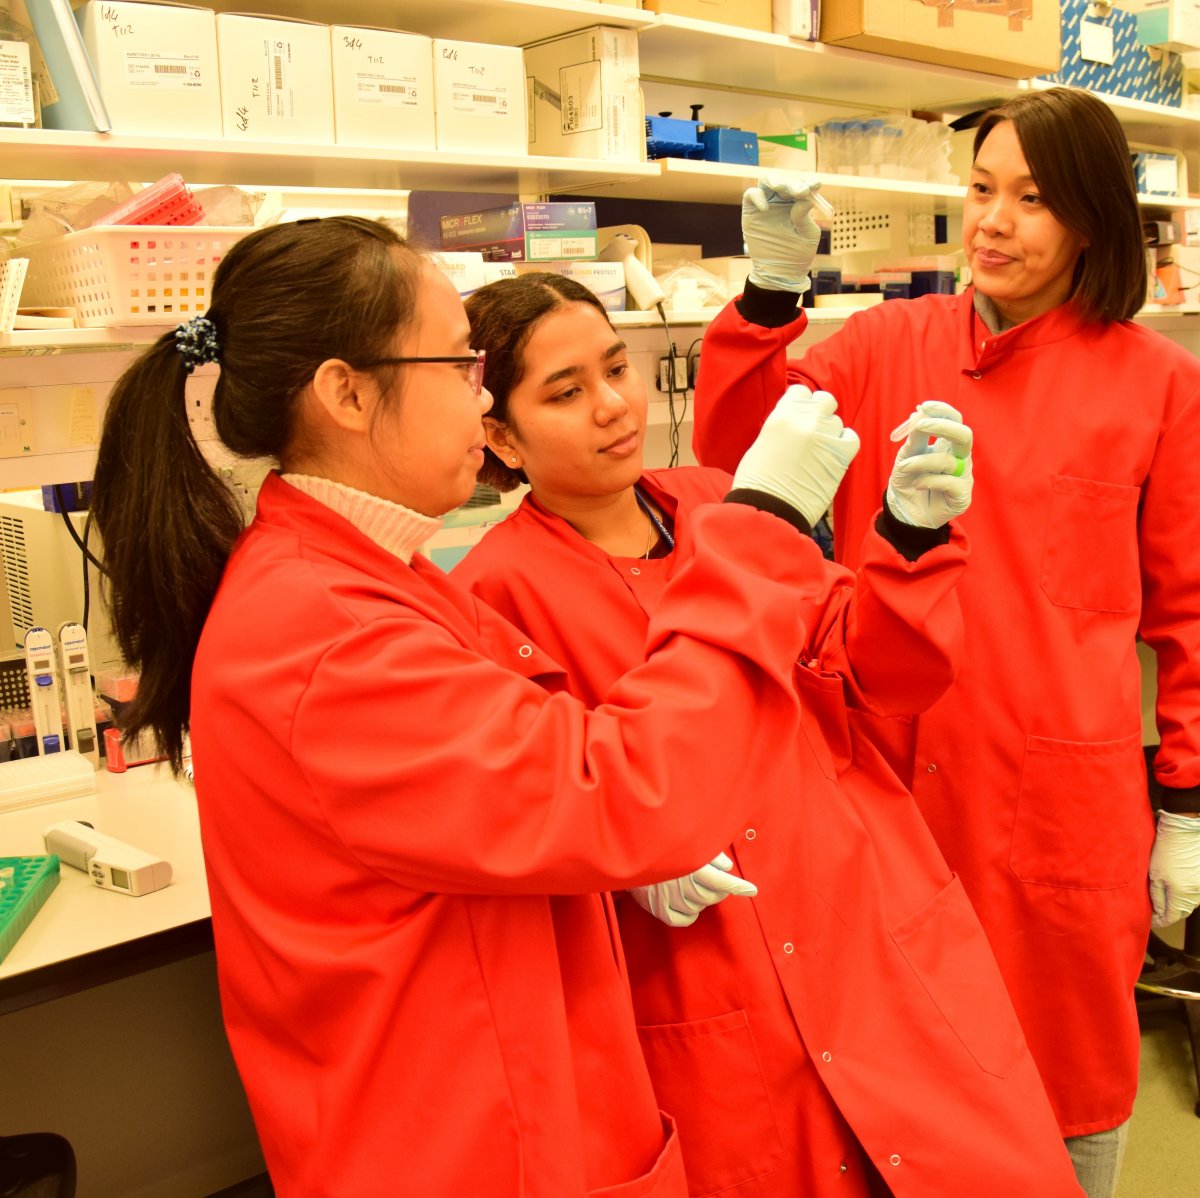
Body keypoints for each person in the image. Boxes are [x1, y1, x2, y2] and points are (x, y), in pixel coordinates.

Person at [89, 216, 869, 1198]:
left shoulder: (377, 576)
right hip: (466, 1144)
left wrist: (608, 875)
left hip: (520, 1104)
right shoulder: (322, 630)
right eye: (461, 365)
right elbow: (627, 788)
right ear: (346, 391)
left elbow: (514, 780)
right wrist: (760, 531)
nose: (478, 398)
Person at [453, 271, 1085, 1197]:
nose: (615, 406)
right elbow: (528, 811)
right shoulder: (491, 593)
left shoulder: (723, 501)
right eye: (566, 391)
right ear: (499, 436)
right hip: (706, 963)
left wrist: (907, 538)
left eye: (617, 368)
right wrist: (623, 864)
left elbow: (883, 678)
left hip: (859, 903)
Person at [691, 86, 1200, 1198]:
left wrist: (1187, 806)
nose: (993, 222)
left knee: (1065, 1083)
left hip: (1060, 807)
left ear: (1094, 220)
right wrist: (772, 292)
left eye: (1032, 198)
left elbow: (1192, 610)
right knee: (889, 1082)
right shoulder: (887, 345)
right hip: (892, 788)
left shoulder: (1158, 383)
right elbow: (736, 460)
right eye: (979, 191)